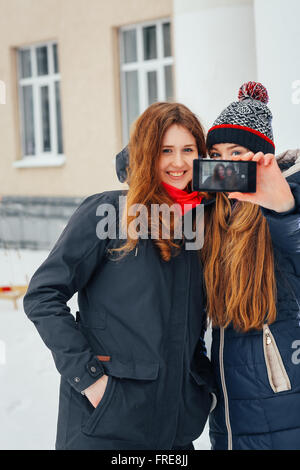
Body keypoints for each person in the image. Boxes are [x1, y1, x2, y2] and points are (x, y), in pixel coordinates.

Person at [23, 102, 217, 451]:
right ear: (146, 153)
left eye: (188, 150)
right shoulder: (110, 213)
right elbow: (42, 295)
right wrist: (92, 381)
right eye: (165, 150)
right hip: (104, 426)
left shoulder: (198, 222)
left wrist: (198, 384)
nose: (178, 162)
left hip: (174, 430)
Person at [202, 81, 300, 450]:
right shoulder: (209, 216)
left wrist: (284, 210)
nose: (225, 163)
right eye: (216, 153)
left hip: (282, 402)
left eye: (237, 152)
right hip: (227, 409)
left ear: (262, 159)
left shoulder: (286, 208)